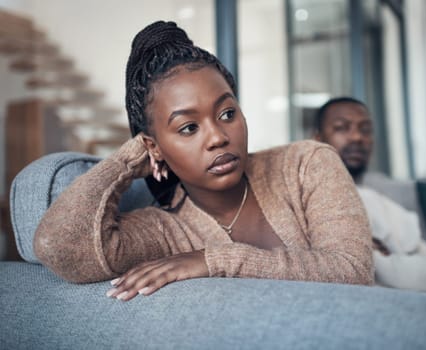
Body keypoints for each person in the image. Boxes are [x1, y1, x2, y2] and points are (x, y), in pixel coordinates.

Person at [33, 22, 373, 302]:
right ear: (154, 146)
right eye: (189, 127)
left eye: (227, 113)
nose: (217, 137)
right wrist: (124, 161)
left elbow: (354, 273)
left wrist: (215, 260)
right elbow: (59, 248)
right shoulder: (163, 231)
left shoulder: (307, 163)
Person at [314, 97, 426, 294]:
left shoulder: (377, 201)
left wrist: (374, 258)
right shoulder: (310, 201)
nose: (357, 137)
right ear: (318, 140)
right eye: (342, 128)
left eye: (365, 130)